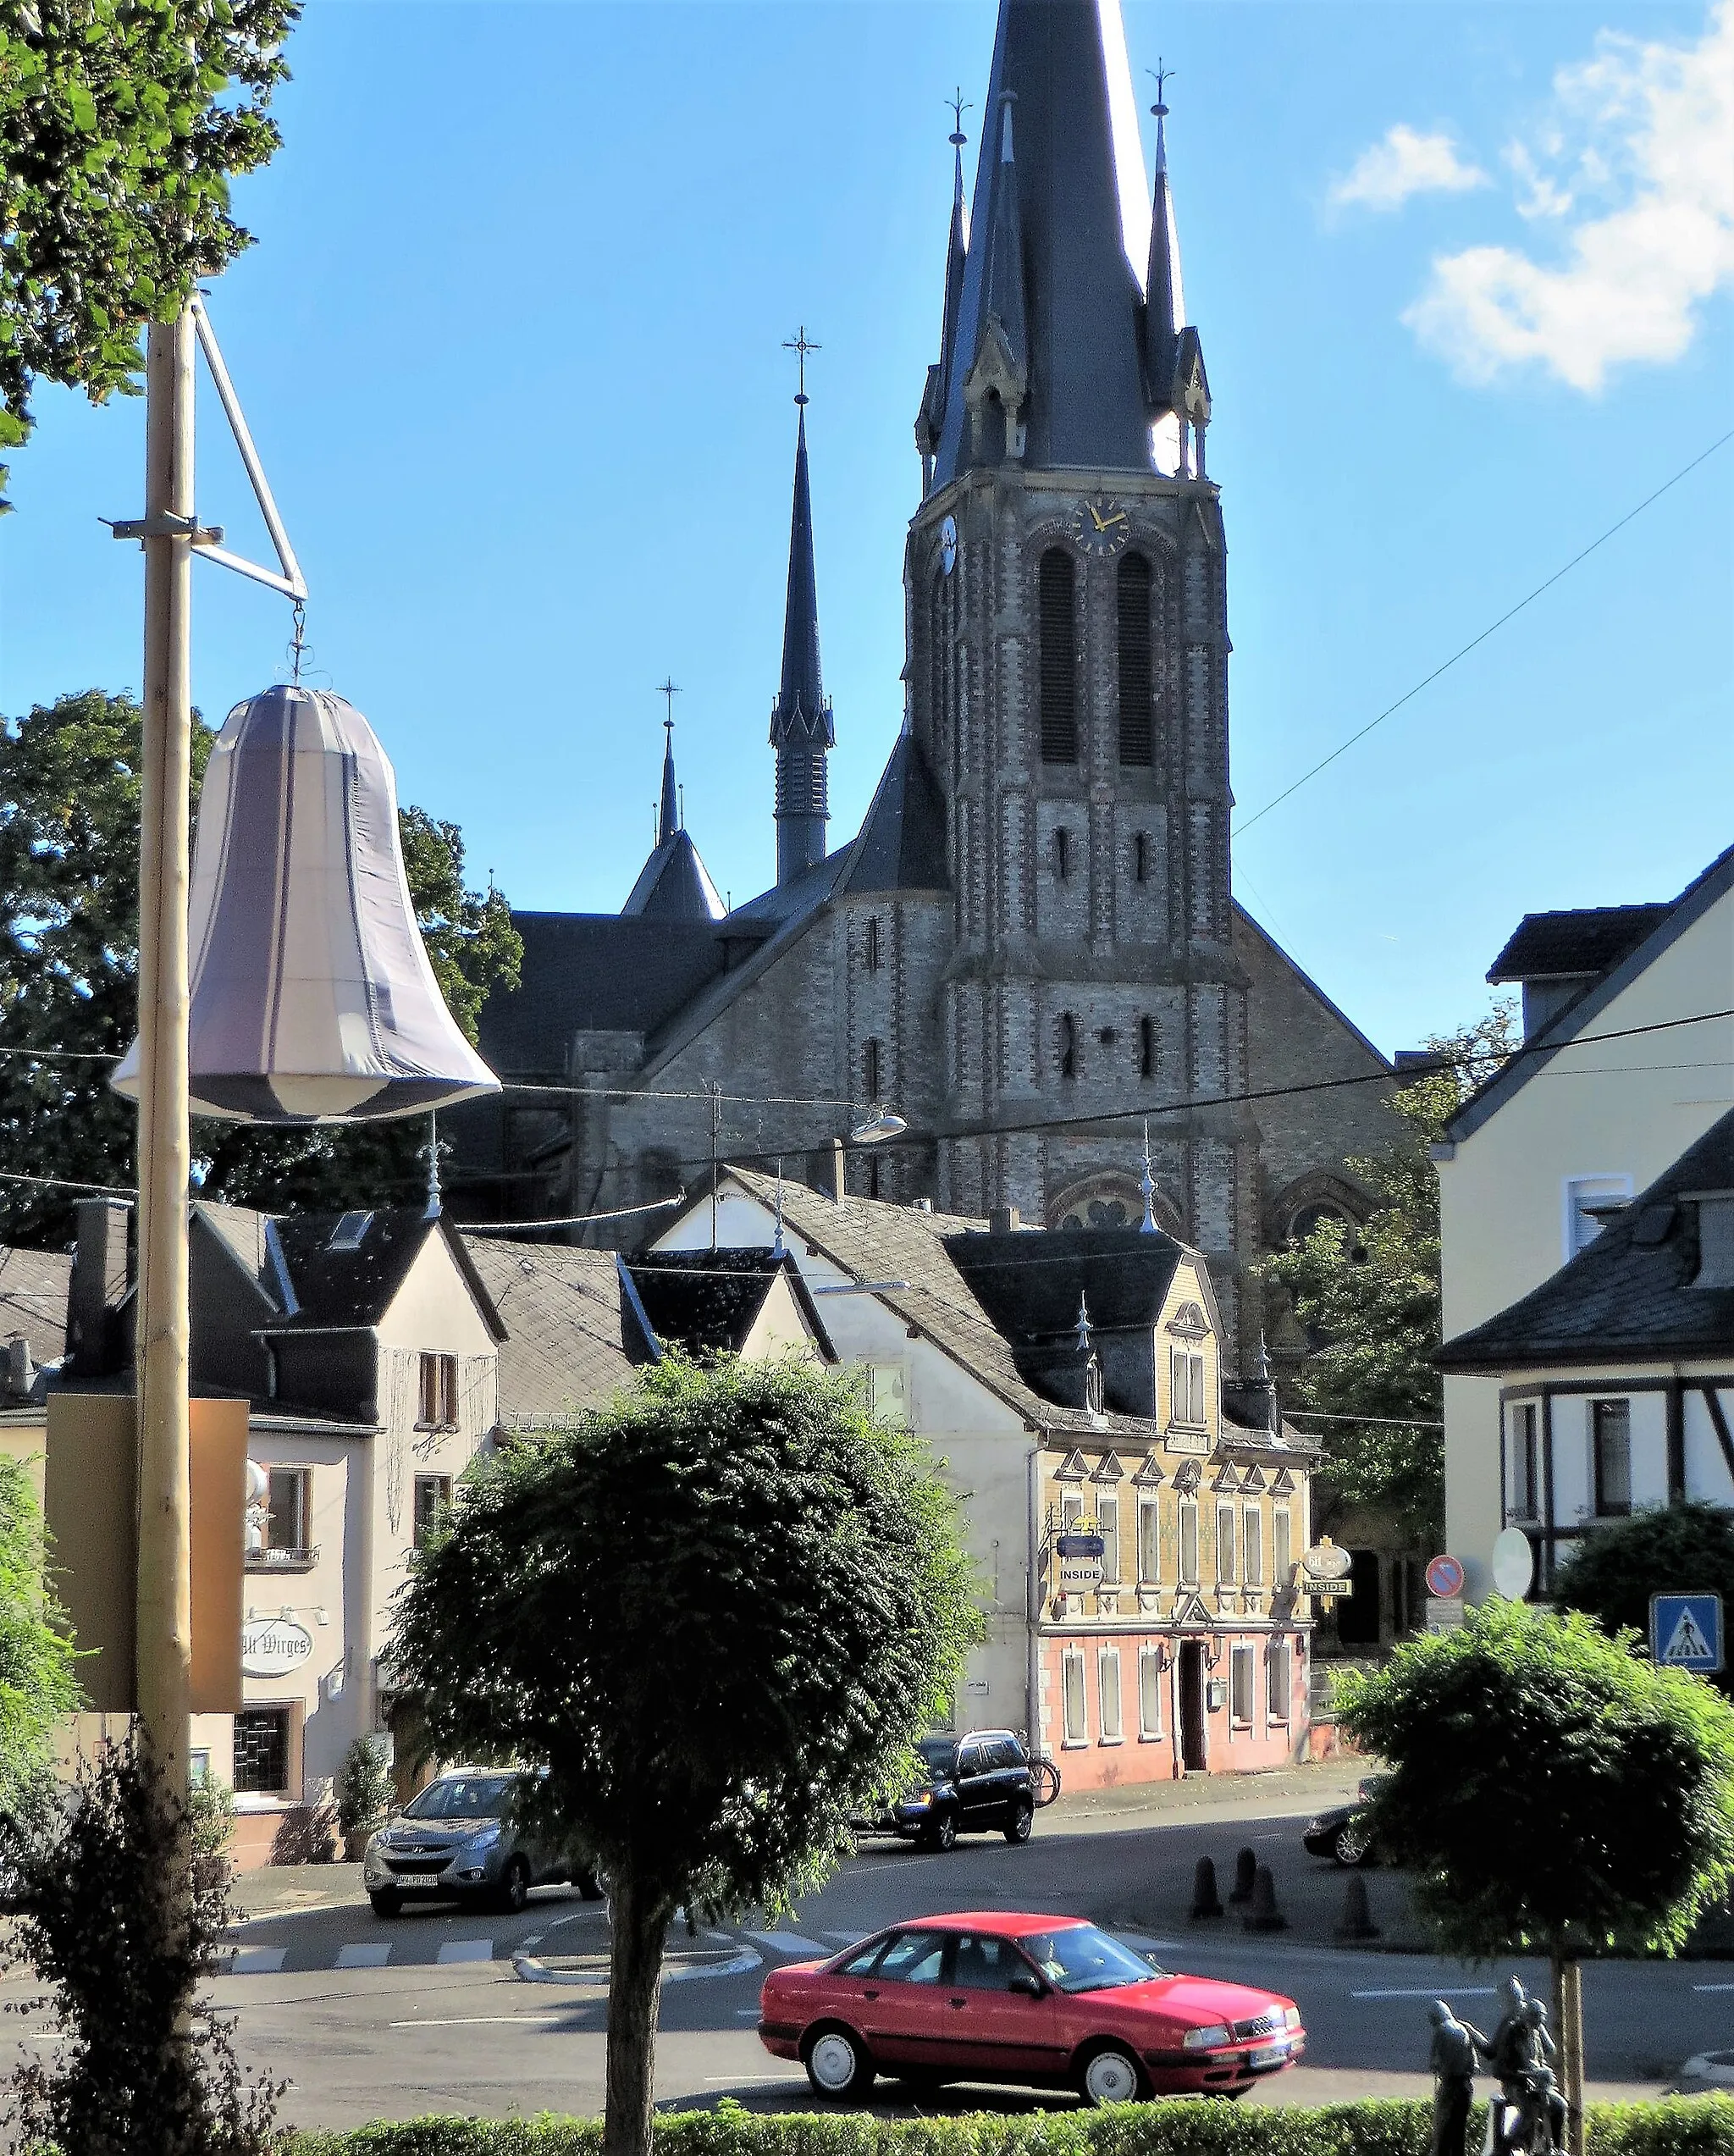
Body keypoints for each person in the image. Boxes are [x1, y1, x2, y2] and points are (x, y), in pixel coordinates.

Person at [1427, 2000, 1484, 2156]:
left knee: (1443, 2130)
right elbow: (1475, 2063)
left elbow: (1434, 2062)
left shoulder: (1441, 2030)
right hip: (1466, 2087)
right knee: (1459, 2129)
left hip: (1449, 2086)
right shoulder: (1463, 2028)